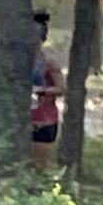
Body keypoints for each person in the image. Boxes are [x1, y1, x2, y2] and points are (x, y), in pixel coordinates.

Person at [30, 10, 64, 170]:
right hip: (22, 118)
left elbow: (61, 89)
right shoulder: (17, 61)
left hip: (44, 119)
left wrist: (40, 90)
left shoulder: (49, 62)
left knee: (39, 165)